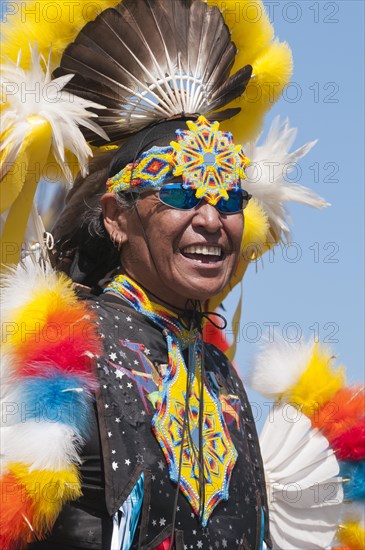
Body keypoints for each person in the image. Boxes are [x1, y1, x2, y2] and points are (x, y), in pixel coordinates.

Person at [3, 2, 362, 550]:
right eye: (179, 194)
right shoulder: (57, 345)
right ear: (118, 218)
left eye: (229, 198)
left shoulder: (219, 369)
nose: (213, 220)